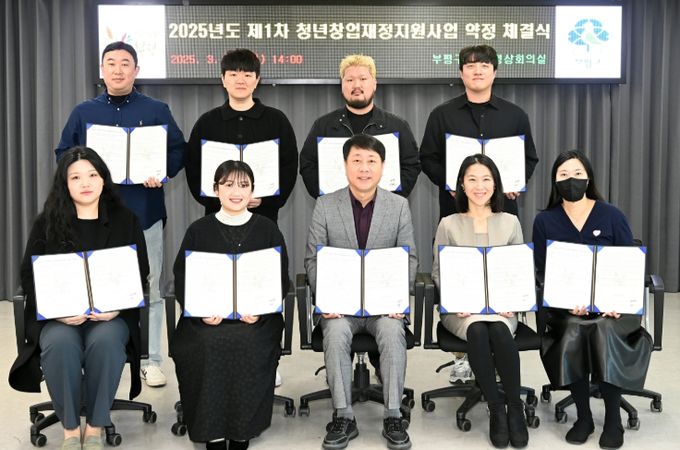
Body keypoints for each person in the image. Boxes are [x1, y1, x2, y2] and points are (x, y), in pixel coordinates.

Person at [55, 41, 186, 388]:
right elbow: (62, 153)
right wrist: (82, 172)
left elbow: (178, 150)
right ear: (102, 70)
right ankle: (97, 356)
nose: (117, 69)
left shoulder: (156, 110)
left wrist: (163, 173)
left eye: (125, 63)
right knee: (94, 285)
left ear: (136, 71)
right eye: (110, 63)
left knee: (150, 286)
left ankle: (151, 359)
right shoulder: (84, 112)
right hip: (94, 216)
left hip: (145, 213)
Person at [9, 146, 149, 450]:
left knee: (106, 342)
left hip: (110, 315)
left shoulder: (125, 220)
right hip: (60, 317)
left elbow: (140, 271)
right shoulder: (47, 222)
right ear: (65, 183)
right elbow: (29, 276)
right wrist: (56, 312)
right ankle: (71, 430)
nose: (85, 183)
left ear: (103, 179)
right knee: (60, 344)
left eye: (92, 175)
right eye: (75, 177)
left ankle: (96, 425)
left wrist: (117, 308)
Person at [532, 150, 653, 449]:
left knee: (602, 328)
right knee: (574, 328)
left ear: (588, 178)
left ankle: (613, 420)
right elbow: (543, 270)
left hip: (614, 307)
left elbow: (628, 265)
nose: (570, 180)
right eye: (563, 175)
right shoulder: (544, 220)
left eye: (577, 173)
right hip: (568, 307)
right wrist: (565, 301)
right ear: (554, 181)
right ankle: (583, 418)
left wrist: (617, 302)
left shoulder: (612, 215)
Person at [305, 134, 417, 450]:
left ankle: (393, 414)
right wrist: (326, 300)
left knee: (392, 331)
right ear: (345, 166)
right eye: (357, 161)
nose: (364, 168)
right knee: (335, 332)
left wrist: (399, 300)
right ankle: (343, 416)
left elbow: (408, 257)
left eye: (371, 161)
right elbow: (313, 259)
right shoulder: (326, 205)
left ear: (382, 166)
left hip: (384, 306)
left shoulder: (398, 206)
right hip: (340, 306)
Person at [172, 160, 289, 450]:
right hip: (205, 320)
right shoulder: (198, 230)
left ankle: (241, 432)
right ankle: (211, 433)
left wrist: (260, 310)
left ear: (252, 191)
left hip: (257, 319)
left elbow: (280, 278)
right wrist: (201, 312)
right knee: (207, 345)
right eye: (228, 185)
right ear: (216, 190)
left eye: (243, 185)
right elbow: (182, 276)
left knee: (247, 342)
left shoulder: (267, 230)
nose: (236, 192)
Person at [431, 154, 528, 448]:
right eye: (472, 179)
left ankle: (515, 408)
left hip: (502, 306)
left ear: (495, 184)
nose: (479, 186)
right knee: (477, 329)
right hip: (461, 309)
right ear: (462, 184)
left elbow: (518, 269)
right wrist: (455, 300)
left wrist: (512, 301)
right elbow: (438, 271)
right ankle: (497, 409)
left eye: (486, 179)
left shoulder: (510, 222)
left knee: (498, 329)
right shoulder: (448, 224)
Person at [420, 44, 539, 219]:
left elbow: (529, 158)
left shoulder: (516, 115)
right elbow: (427, 158)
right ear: (461, 73)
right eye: (470, 66)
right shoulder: (441, 114)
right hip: (456, 209)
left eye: (484, 65)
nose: (477, 71)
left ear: (494, 72)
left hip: (502, 209)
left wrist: (516, 182)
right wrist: (451, 183)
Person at [185, 48, 298, 223]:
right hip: (217, 217)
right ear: (223, 80)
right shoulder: (207, 122)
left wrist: (266, 200)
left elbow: (289, 166)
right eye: (233, 74)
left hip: (263, 217)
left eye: (247, 75)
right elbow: (193, 167)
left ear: (257, 80)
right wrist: (217, 199)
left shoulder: (276, 120)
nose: (240, 81)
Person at [299, 54, 420, 199]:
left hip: (385, 207)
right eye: (350, 80)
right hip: (335, 207)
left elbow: (411, 165)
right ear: (342, 85)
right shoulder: (323, 126)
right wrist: (326, 200)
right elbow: (308, 165)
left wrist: (392, 200)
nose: (356, 85)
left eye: (363, 79)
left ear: (374, 84)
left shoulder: (396, 126)